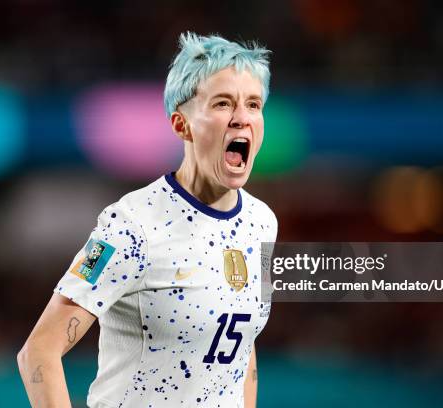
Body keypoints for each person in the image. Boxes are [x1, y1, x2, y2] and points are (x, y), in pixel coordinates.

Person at [17, 31, 277, 408]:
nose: (242, 118)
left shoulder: (262, 223)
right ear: (181, 124)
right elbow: (38, 353)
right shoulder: (131, 226)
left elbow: (241, 348)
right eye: (223, 103)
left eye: (253, 104)